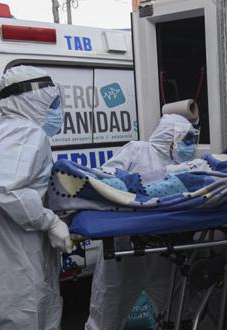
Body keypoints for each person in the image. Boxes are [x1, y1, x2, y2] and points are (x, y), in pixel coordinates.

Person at [0, 66, 72, 330]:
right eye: (53, 103)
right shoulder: (26, 133)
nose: (57, 111)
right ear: (33, 100)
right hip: (16, 262)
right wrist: (49, 221)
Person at [86, 113, 198, 330]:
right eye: (187, 139)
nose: (190, 146)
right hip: (126, 246)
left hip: (165, 248)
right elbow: (107, 180)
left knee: (175, 304)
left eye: (192, 140)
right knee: (111, 302)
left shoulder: (186, 165)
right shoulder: (138, 150)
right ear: (170, 137)